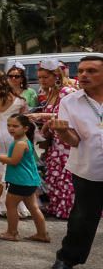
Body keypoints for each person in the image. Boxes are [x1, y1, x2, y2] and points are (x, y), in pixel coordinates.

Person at [48, 55, 103, 269]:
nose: (83, 75)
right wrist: (62, 131)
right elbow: (73, 141)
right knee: (83, 217)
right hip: (87, 168)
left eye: (91, 71)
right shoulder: (70, 102)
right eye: (81, 71)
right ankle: (67, 258)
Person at [0, 114, 49, 242]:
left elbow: (13, 161)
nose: (11, 128)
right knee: (33, 208)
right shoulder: (23, 141)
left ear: (25, 128)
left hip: (21, 181)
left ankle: (12, 233)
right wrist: (0, 156)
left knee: (11, 205)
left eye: (15, 126)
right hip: (29, 180)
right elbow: (14, 159)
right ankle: (42, 234)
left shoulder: (20, 143)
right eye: (9, 125)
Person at [0, 71, 31, 218]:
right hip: (11, 135)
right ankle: (13, 203)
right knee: (11, 166)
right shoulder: (19, 100)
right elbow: (24, 119)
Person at [36, 58, 76, 219]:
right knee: (55, 175)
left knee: (66, 177)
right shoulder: (51, 91)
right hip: (55, 142)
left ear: (56, 76)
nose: (41, 81)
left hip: (66, 142)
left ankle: (69, 210)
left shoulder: (67, 92)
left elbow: (71, 116)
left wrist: (41, 115)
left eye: (45, 77)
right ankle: (57, 207)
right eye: (39, 77)